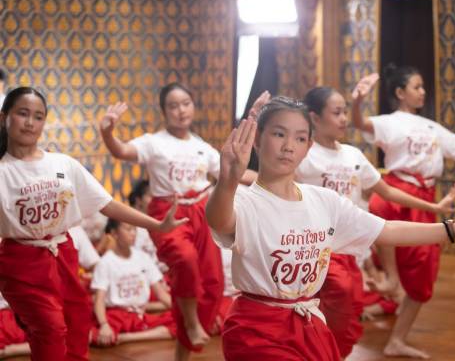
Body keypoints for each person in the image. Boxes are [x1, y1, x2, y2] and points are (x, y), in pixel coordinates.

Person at [206, 96, 455, 360]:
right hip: (257, 330)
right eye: (279, 134)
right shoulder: (245, 201)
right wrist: (229, 180)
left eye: (300, 138)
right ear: (257, 139)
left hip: (308, 325)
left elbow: (386, 230)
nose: (289, 145)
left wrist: (453, 230)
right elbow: (220, 220)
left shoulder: (323, 201)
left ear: (308, 147)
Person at [0, 87, 185, 361]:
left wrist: (156, 225)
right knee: (50, 329)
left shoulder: (62, 164)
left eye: (38, 116)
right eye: (22, 114)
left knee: (77, 320)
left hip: (62, 253)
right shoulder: (3, 171)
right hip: (21, 261)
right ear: (5, 117)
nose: (30, 123)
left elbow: (107, 203)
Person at [351, 65, 455, 358]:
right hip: (398, 191)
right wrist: (358, 100)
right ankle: (391, 280)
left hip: (424, 198)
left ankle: (397, 337)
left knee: (423, 273)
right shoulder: (389, 122)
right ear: (400, 93)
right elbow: (359, 122)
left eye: (423, 87)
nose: (423, 92)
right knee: (381, 220)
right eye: (416, 87)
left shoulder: (431, 127)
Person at [100, 83, 264, 360]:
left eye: (186, 103)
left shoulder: (201, 146)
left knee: (212, 281)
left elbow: (235, 173)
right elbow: (122, 151)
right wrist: (107, 132)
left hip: (201, 210)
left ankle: (184, 348)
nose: (181, 110)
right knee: (185, 260)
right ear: (164, 111)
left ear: (193, 106)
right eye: (173, 106)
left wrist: (274, 178)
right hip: (169, 212)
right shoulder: (153, 142)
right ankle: (190, 322)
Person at [296, 84, 455, 357]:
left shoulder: (353, 155)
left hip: (348, 251)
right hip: (314, 250)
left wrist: (433, 206)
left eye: (345, 112)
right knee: (333, 301)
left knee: (345, 320)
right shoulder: (303, 155)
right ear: (314, 117)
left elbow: (388, 192)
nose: (344, 119)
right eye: (336, 113)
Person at [90, 219, 175, 347]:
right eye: (128, 229)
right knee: (95, 336)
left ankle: (126, 338)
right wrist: (104, 324)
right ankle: (126, 334)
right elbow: (99, 300)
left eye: (134, 229)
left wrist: (185, 313)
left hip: (140, 315)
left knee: (181, 323)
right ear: (114, 233)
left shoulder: (143, 257)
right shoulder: (105, 262)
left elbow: (162, 295)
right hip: (116, 317)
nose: (133, 233)